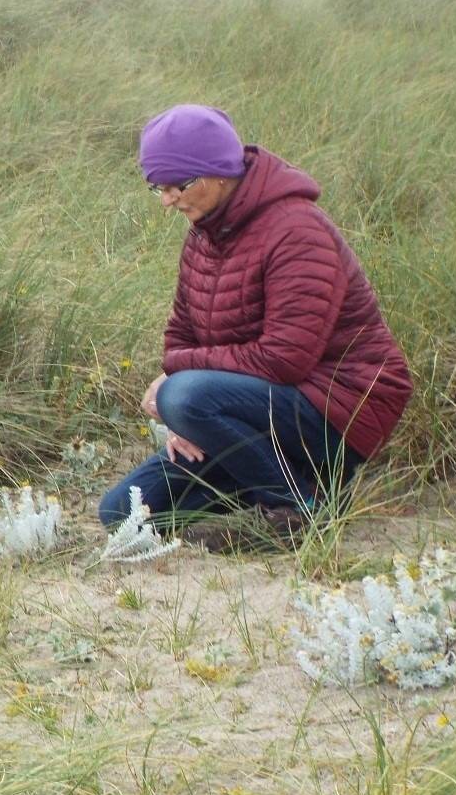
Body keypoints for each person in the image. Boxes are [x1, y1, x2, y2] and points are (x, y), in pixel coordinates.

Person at [99, 104, 411, 548]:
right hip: (260, 407)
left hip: (338, 406)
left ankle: (299, 512)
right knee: (123, 514)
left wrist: (180, 388)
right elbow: (181, 336)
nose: (168, 201)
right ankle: (289, 487)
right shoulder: (205, 234)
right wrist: (188, 411)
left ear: (221, 172)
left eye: (179, 185)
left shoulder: (296, 231)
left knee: (183, 395)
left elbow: (284, 360)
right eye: (157, 188)